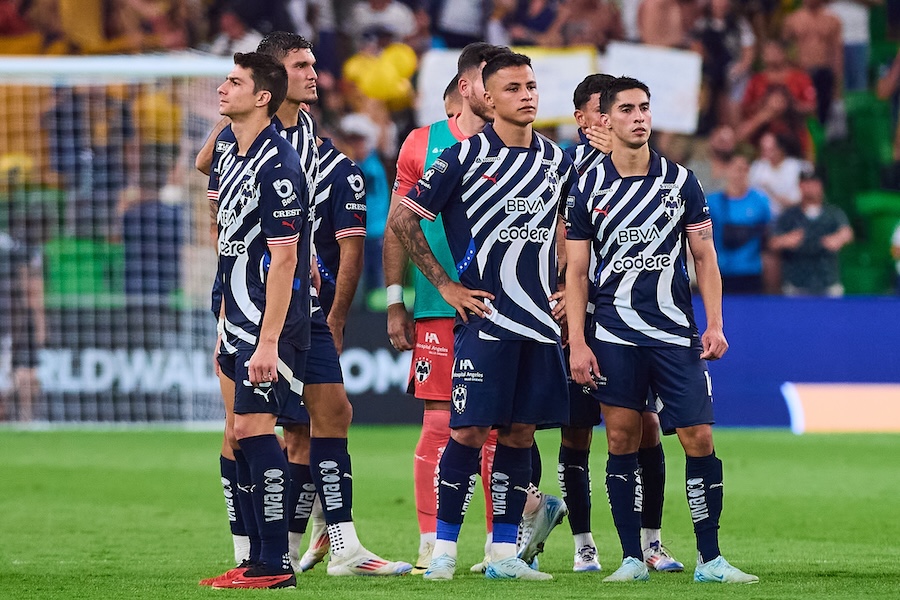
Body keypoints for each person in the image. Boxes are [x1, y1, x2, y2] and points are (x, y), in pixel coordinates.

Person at [199, 33, 410, 585]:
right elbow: (215, 185)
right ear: (274, 78)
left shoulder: (311, 143)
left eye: (315, 63)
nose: (315, 74)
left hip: (298, 304)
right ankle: (253, 552)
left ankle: (331, 544)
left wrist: (331, 310)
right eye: (301, 65)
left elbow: (315, 238)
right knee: (242, 427)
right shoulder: (243, 142)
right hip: (250, 301)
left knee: (329, 413)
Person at [390, 51, 577, 581]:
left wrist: (563, 285)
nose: (528, 95)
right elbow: (405, 219)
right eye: (514, 87)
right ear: (486, 98)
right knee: (466, 433)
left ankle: (502, 555)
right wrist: (446, 285)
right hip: (486, 321)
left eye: (532, 85)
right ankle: (443, 551)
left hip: (540, 326)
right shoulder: (462, 158)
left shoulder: (558, 161)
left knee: (519, 437)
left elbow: (570, 228)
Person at [566, 76, 758, 584]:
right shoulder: (586, 186)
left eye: (645, 108)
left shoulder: (681, 181)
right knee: (623, 439)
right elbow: (577, 273)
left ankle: (711, 560)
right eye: (627, 108)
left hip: (675, 334)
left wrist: (714, 323)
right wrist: (579, 342)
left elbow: (704, 257)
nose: (639, 116)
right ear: (605, 119)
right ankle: (632, 558)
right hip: (614, 335)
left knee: (698, 437)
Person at [383, 42, 508, 575]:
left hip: (505, 305)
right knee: (440, 423)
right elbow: (397, 224)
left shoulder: (519, 145)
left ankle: (501, 545)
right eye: (491, 81)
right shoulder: (421, 143)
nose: (500, 91)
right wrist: (395, 300)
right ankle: (432, 541)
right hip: (436, 305)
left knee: (501, 430)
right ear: (466, 87)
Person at [559, 73, 684, 574]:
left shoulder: (643, 169)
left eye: (633, 109)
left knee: (645, 428)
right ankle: (584, 542)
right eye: (602, 110)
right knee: (575, 433)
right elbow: (552, 237)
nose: (613, 120)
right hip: (573, 317)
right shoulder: (563, 167)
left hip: (626, 319)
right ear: (584, 117)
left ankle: (650, 542)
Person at [203, 51, 305, 590]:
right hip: (237, 317)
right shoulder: (230, 153)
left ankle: (275, 564)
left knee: (254, 429)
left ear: (262, 97)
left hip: (274, 326)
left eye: (235, 82)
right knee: (242, 433)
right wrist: (224, 318)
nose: (223, 88)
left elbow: (285, 259)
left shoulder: (279, 166)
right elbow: (230, 246)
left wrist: (268, 343)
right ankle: (257, 560)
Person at [768, 163, 853, 296]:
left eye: (814, 182)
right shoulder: (789, 215)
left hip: (827, 281)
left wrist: (839, 238)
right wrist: (786, 240)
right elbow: (773, 242)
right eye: (805, 183)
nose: (809, 187)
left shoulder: (833, 213)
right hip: (797, 283)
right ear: (800, 185)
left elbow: (847, 232)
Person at [705, 153, 772, 294]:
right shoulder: (713, 202)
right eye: (736, 169)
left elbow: (767, 234)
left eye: (744, 169)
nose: (740, 174)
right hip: (720, 270)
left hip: (751, 270)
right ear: (727, 170)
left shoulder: (760, 201)